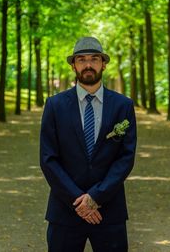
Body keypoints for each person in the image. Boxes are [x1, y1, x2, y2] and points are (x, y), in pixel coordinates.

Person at [40, 36, 137, 252]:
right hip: (65, 211)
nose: (88, 65)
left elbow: (126, 158)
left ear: (103, 63)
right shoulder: (55, 106)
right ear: (73, 65)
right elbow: (48, 159)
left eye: (94, 58)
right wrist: (80, 201)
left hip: (109, 211)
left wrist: (96, 197)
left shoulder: (123, 105)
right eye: (81, 59)